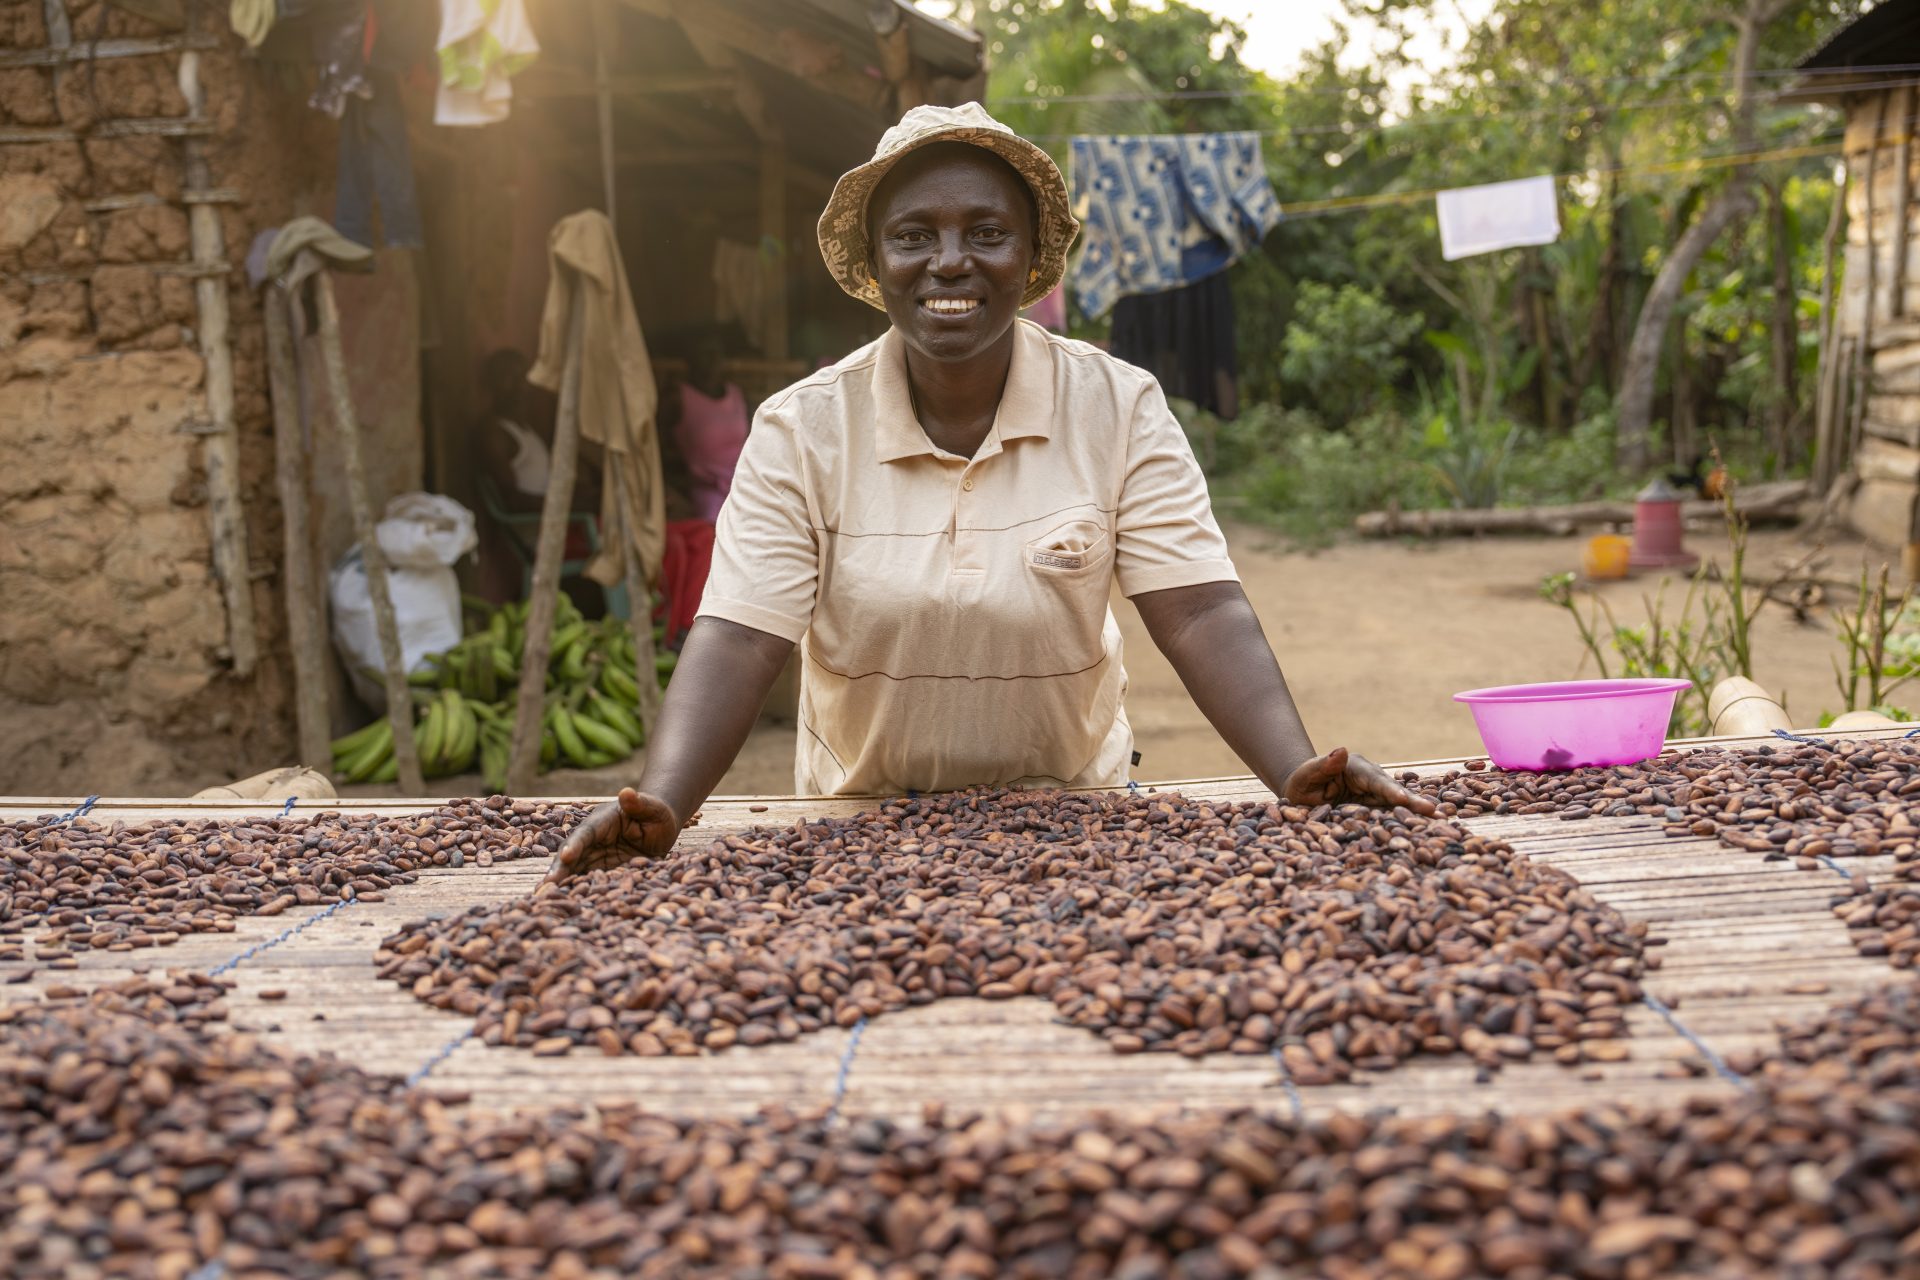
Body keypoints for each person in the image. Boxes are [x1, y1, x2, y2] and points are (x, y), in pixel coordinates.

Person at [548, 103, 1432, 882]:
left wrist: (1295, 769)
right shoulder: (801, 428)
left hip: (1079, 820)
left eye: (986, 232)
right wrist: (662, 802)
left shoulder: (1117, 404)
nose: (949, 263)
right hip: (856, 829)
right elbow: (741, 636)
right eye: (912, 235)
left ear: (1032, 254)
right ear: (875, 256)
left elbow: (1198, 610)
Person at [662, 334, 750, 523]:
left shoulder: (736, 394)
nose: (713, 360)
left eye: (717, 354)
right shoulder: (678, 397)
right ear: (690, 360)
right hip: (706, 493)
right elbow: (656, 451)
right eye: (705, 354)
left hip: (744, 487)